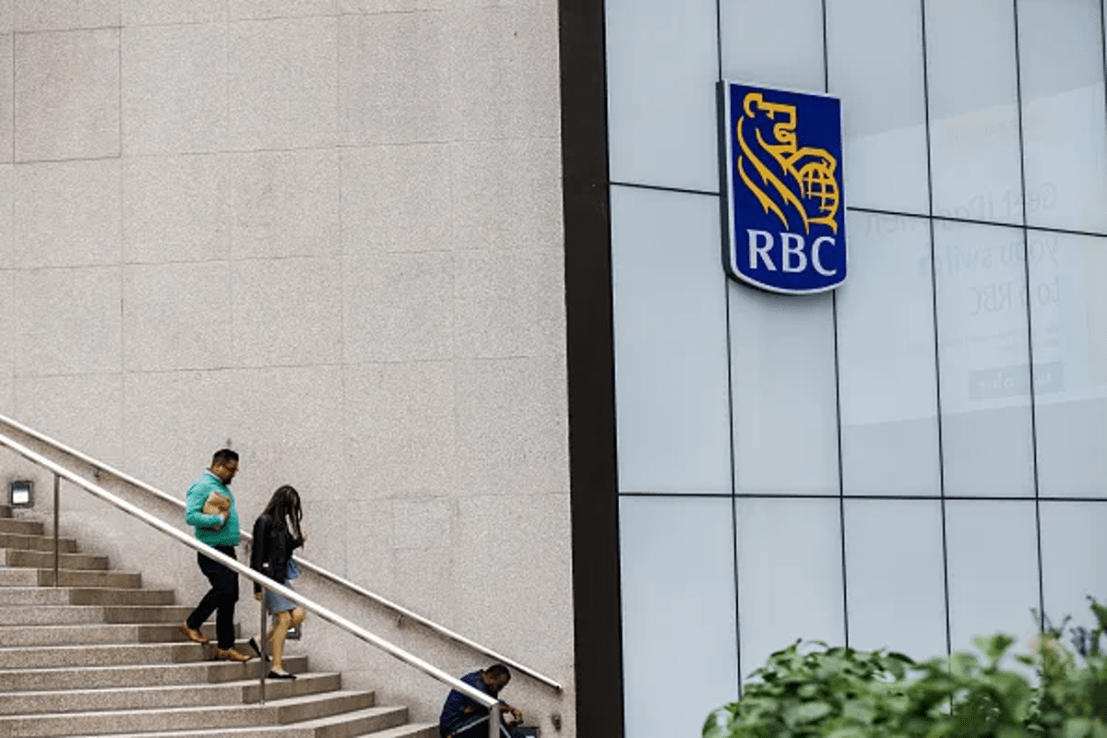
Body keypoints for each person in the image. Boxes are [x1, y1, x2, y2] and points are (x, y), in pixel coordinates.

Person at [179, 448, 252, 662]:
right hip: (211, 548)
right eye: (231, 469)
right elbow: (191, 516)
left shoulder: (218, 486)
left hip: (225, 548)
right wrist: (218, 520)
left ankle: (225, 647)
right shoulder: (202, 485)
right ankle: (191, 624)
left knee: (230, 596)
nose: (234, 474)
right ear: (219, 466)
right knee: (224, 590)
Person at [248, 484, 307, 679]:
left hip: (280, 578)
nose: (292, 512)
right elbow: (256, 554)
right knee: (284, 620)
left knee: (298, 615)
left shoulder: (281, 525)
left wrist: (297, 542)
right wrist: (257, 585)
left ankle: (260, 640)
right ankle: (276, 666)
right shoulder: (263, 521)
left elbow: (283, 549)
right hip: (268, 578)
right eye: (291, 506)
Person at [438, 664, 524, 738]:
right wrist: (510, 709)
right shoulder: (474, 683)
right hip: (454, 728)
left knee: (495, 714)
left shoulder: (486, 684)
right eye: (499, 685)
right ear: (490, 677)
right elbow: (489, 705)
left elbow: (490, 706)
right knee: (492, 711)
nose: (500, 689)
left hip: (466, 723)